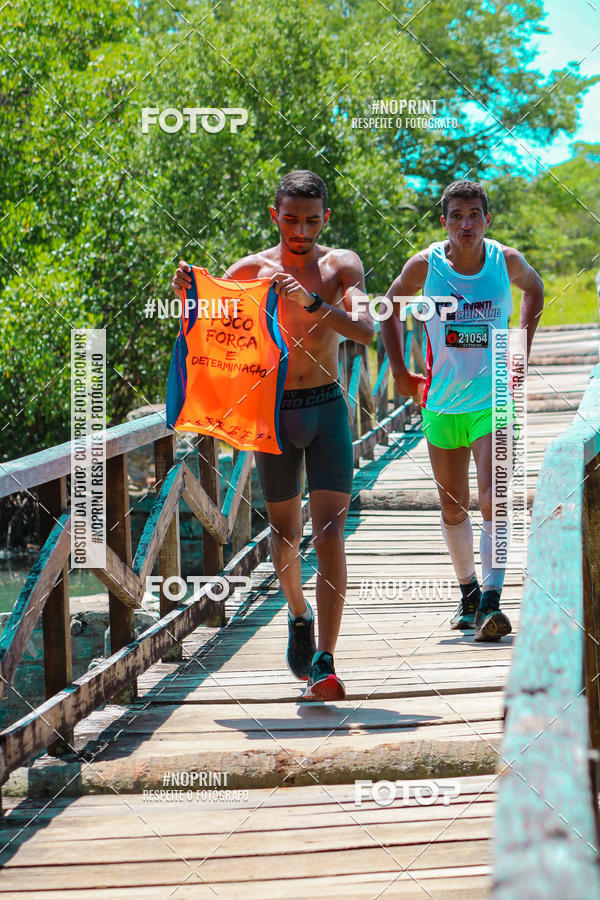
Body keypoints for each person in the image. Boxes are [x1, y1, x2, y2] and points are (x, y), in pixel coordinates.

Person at [171, 170, 374, 697]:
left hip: (327, 408)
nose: (300, 231)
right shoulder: (249, 271)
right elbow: (211, 334)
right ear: (274, 216)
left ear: (325, 218)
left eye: (311, 221)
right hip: (275, 415)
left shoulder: (342, 266)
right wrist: (188, 297)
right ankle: (298, 614)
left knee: (330, 535)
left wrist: (314, 304)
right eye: (290, 220)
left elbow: (366, 329)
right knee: (284, 537)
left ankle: (325, 660)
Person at [381, 180, 544, 641]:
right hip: (442, 402)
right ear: (444, 222)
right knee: (452, 505)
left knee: (493, 498)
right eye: (457, 215)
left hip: (494, 398)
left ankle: (492, 599)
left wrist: (520, 349)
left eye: (474, 215)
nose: (466, 224)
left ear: (487, 219)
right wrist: (399, 371)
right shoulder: (425, 265)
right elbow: (388, 307)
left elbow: (534, 289)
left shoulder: (504, 261)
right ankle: (468, 592)